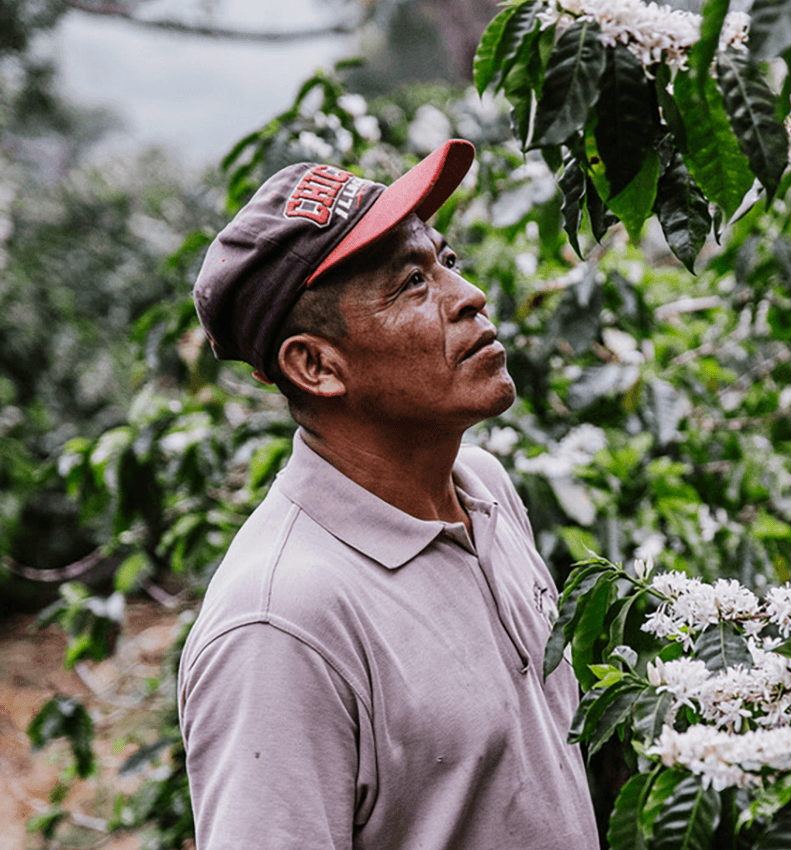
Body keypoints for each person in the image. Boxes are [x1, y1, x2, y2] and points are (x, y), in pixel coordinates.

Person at [178, 139, 600, 850]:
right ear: (315, 365)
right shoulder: (280, 624)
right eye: (411, 282)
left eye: (447, 261)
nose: (469, 296)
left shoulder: (485, 491)